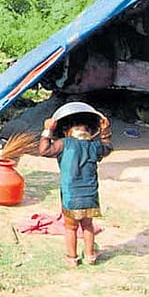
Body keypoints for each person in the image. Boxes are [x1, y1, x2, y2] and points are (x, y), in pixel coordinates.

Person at [38, 104, 114, 266]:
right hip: (90, 196)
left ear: (66, 131)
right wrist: (105, 131)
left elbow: (44, 150)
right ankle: (90, 256)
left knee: (71, 228)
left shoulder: (63, 144)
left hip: (71, 196)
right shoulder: (94, 146)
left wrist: (47, 131)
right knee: (88, 226)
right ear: (89, 130)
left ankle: (72, 258)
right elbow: (107, 147)